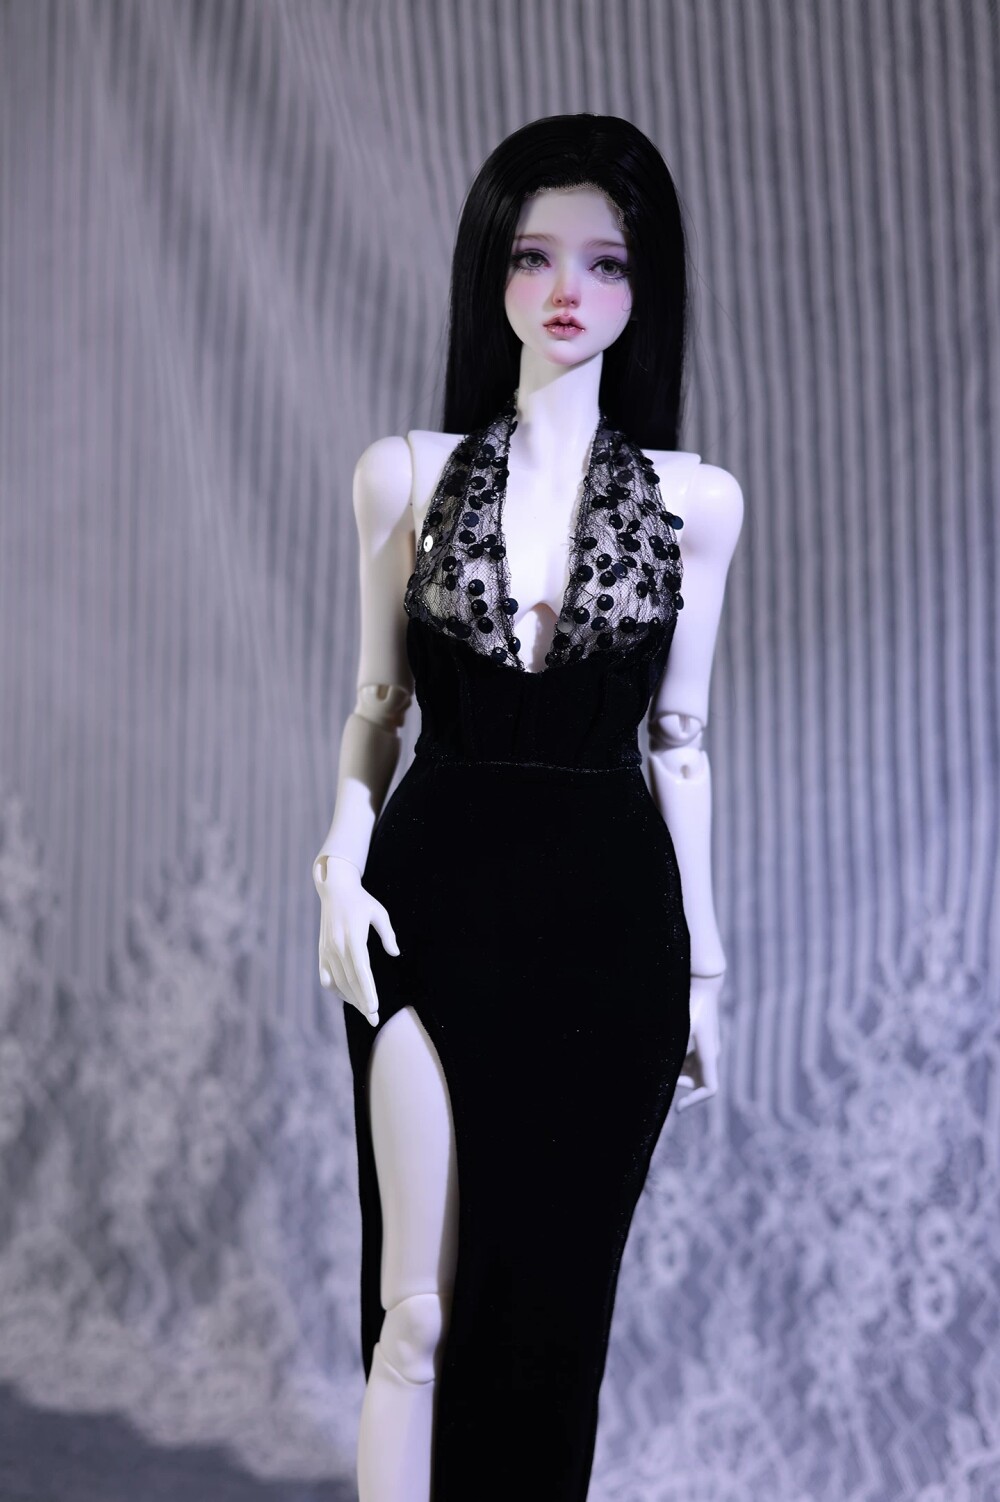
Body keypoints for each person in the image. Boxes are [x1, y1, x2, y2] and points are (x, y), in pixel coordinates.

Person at [312, 113, 743, 1502]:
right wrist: (337, 861)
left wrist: (708, 970)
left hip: (613, 940)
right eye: (533, 254)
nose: (568, 289)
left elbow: (682, 741)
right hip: (426, 911)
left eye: (606, 262)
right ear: (489, 268)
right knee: (417, 1312)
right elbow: (377, 707)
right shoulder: (405, 474)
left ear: (646, 285)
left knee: (554, 1324)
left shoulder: (695, 504)